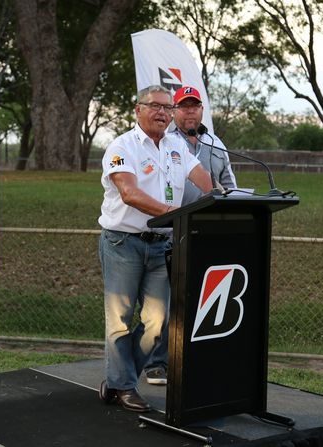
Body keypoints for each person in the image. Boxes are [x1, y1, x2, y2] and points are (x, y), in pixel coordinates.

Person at [98, 84, 212, 412]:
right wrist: (175, 216)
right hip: (123, 243)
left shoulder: (177, 146)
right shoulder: (122, 146)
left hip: (162, 244)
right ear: (138, 110)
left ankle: (119, 379)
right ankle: (124, 386)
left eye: (167, 107)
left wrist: (220, 195)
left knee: (156, 321)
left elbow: (201, 177)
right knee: (119, 318)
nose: (162, 112)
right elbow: (130, 194)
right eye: (154, 106)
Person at [143, 85, 237, 386]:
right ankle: (157, 363)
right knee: (168, 302)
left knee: (199, 300)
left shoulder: (216, 144)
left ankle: (191, 360)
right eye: (183, 106)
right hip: (172, 232)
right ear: (175, 112)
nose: (189, 111)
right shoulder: (164, 142)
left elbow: (228, 186)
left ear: (201, 110)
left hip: (207, 234)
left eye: (194, 105)